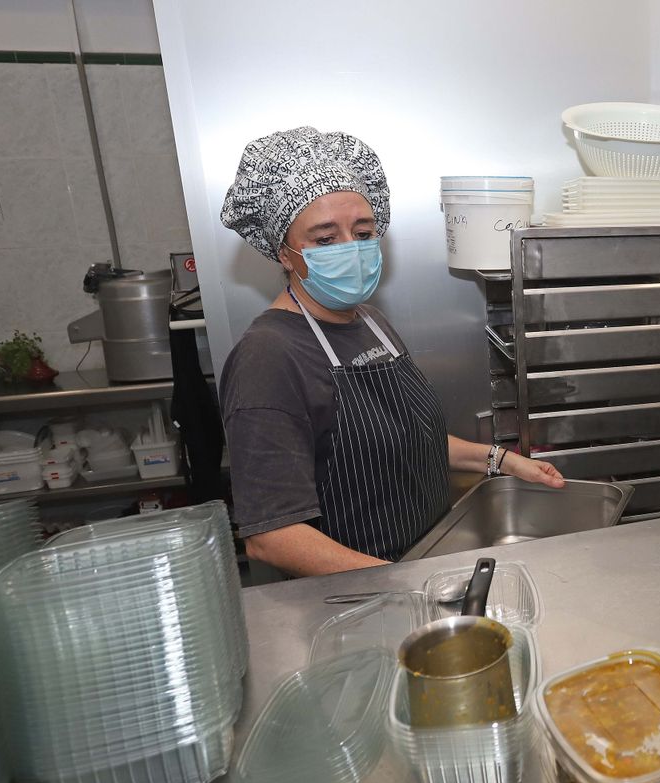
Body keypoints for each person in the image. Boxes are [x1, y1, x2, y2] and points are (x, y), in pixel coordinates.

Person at [219, 126, 563, 577]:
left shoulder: (369, 321)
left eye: (363, 232)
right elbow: (272, 537)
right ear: (284, 253)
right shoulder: (268, 357)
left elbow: (400, 443)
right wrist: (402, 584)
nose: (353, 250)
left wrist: (500, 460)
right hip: (357, 601)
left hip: (423, 568)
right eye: (325, 239)